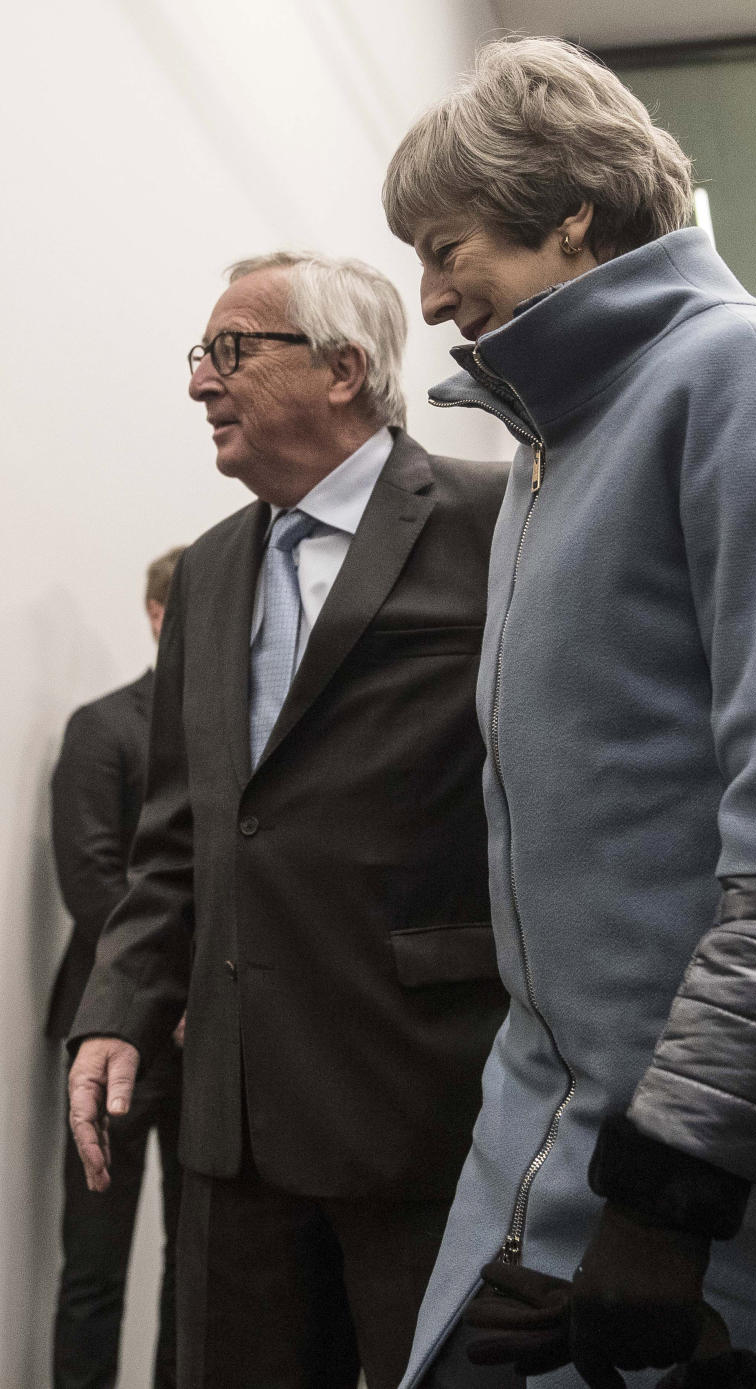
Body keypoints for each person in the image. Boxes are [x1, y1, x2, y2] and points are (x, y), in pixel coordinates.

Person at [382, 36, 756, 1389]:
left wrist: (669, 1196)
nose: (424, 297)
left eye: (443, 243)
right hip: (568, 1142)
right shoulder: (555, 443)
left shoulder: (744, 386)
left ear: (570, 208)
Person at [67, 252, 508, 1389]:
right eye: (200, 356)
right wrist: (119, 1005)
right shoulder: (213, 570)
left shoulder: (494, 520)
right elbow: (182, 835)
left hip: (419, 1102)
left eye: (231, 351)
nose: (200, 384)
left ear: (345, 369)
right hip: (236, 1128)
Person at [47, 546, 186, 1389]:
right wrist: (162, 992)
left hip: (204, 1035)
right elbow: (90, 881)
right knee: (95, 1268)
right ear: (158, 614)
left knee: (193, 1264)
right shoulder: (102, 726)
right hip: (112, 1022)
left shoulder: (230, 734)